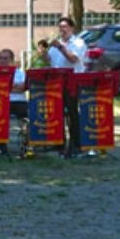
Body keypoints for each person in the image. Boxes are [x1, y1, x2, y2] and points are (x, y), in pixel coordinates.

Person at [42, 16, 87, 157]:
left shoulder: (78, 43)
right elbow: (50, 61)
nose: (62, 30)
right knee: (56, 114)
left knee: (72, 114)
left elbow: (73, 59)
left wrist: (60, 47)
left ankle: (76, 144)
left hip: (72, 82)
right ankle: (58, 143)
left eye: (65, 27)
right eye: (60, 27)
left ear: (72, 28)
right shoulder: (57, 44)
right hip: (56, 83)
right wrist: (43, 51)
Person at [0, 48, 27, 120]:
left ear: (12, 60)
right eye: (0, 58)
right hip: (1, 102)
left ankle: (24, 129)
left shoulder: (20, 73)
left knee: (24, 111)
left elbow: (23, 88)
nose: (2, 61)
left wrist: (5, 87)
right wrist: (14, 86)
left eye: (5, 58)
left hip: (18, 101)